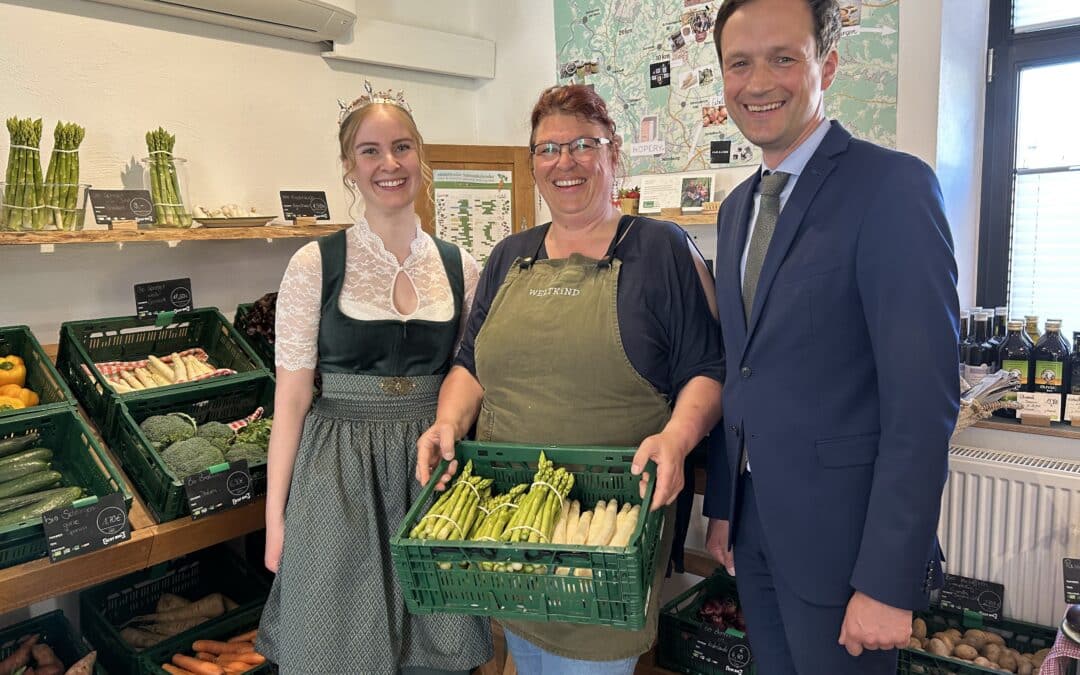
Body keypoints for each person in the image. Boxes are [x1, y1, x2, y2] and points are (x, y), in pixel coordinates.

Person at [416, 84, 724, 675]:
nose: (565, 161)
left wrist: (679, 438)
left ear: (615, 157)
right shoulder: (511, 256)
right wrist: (447, 422)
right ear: (533, 163)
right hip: (508, 522)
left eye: (584, 144)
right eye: (548, 149)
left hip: (606, 534)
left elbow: (707, 372)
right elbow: (470, 364)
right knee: (525, 654)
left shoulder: (660, 250)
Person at [703, 0, 960, 673]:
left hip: (848, 552)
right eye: (739, 63)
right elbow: (745, 372)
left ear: (828, 64)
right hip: (756, 534)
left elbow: (922, 405)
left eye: (783, 58)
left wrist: (885, 579)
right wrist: (726, 508)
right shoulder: (736, 211)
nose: (758, 83)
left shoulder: (892, 189)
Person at [255, 82, 492, 675]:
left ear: (421, 157)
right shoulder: (316, 264)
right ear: (348, 167)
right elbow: (292, 397)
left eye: (403, 147)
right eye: (370, 151)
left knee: (438, 648)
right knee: (336, 647)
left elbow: (472, 379)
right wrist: (275, 518)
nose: (390, 163)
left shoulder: (461, 266)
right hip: (339, 471)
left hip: (430, 468)